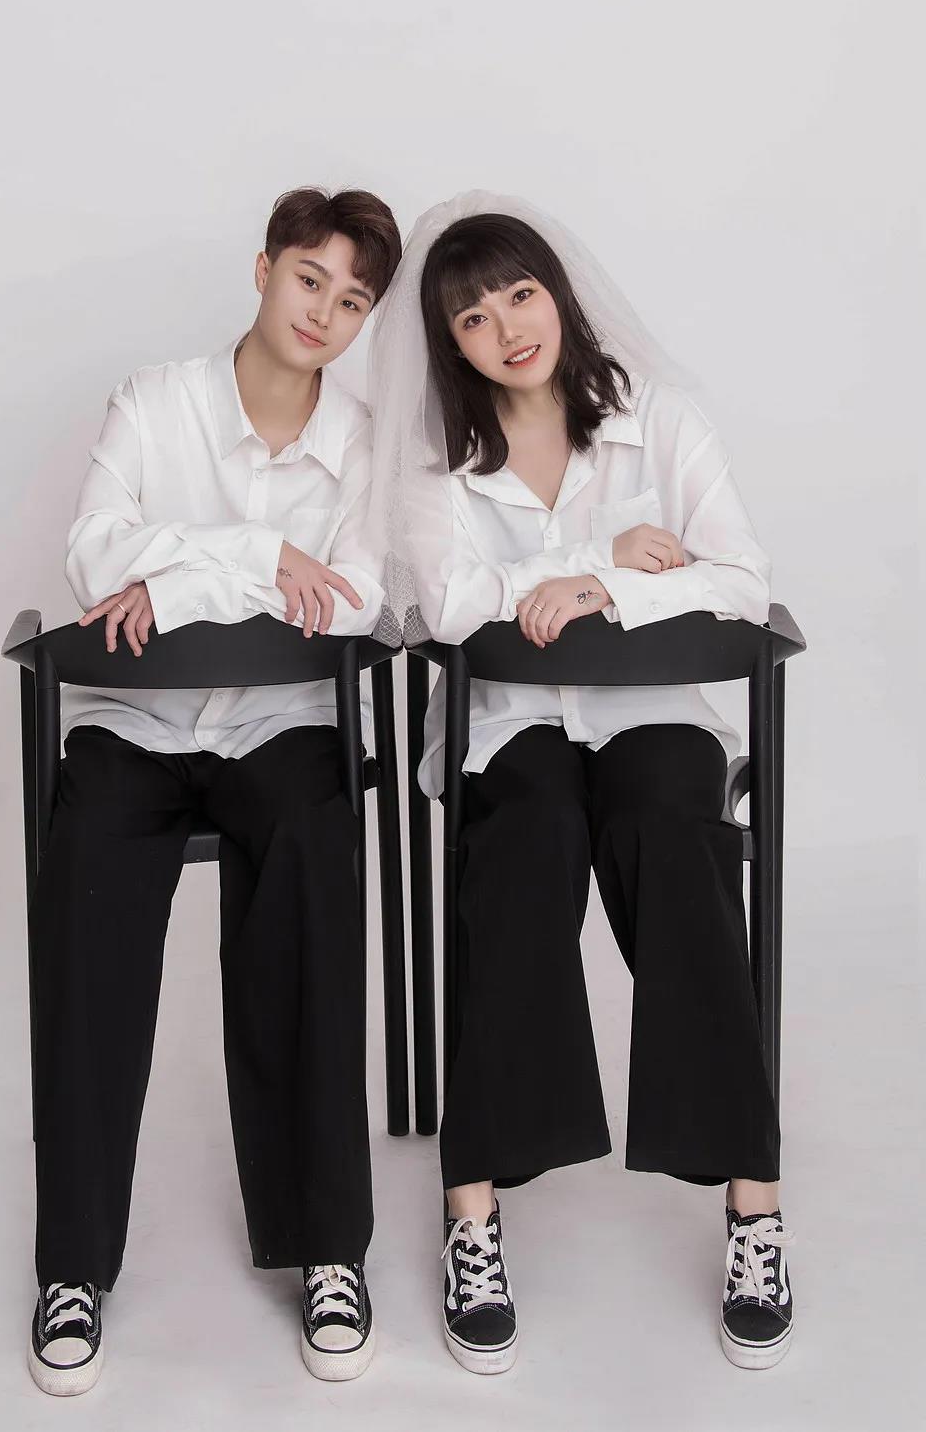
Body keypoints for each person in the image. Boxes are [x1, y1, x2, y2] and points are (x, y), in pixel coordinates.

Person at [365, 190, 796, 1376]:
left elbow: (743, 579)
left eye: (519, 295)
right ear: (449, 343)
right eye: (472, 317)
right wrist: (597, 554)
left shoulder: (661, 421)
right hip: (511, 725)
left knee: (672, 834)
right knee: (528, 841)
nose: (506, 328)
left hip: (654, 712)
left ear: (556, 293)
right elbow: (452, 604)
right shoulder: (438, 467)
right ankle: (473, 1208)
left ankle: (753, 1204)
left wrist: (611, 593)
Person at [27, 187, 401, 1394]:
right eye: (309, 279)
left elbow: (352, 598)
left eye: (352, 301)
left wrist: (178, 576)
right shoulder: (155, 401)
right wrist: (257, 560)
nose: (323, 313)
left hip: (281, 724)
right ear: (263, 269)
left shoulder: (361, 444)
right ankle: (73, 1264)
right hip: (136, 722)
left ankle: (328, 1246)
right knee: (88, 896)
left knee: (309, 872)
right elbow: (94, 555)